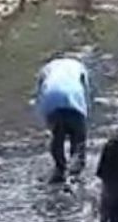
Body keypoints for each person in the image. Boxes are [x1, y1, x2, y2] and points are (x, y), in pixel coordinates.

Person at [35, 56, 91, 184]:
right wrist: (85, 114)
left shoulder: (46, 68)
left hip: (51, 98)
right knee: (79, 140)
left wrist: (46, 119)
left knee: (57, 135)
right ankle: (75, 173)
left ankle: (60, 168)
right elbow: (86, 91)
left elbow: (39, 92)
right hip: (74, 96)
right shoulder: (79, 66)